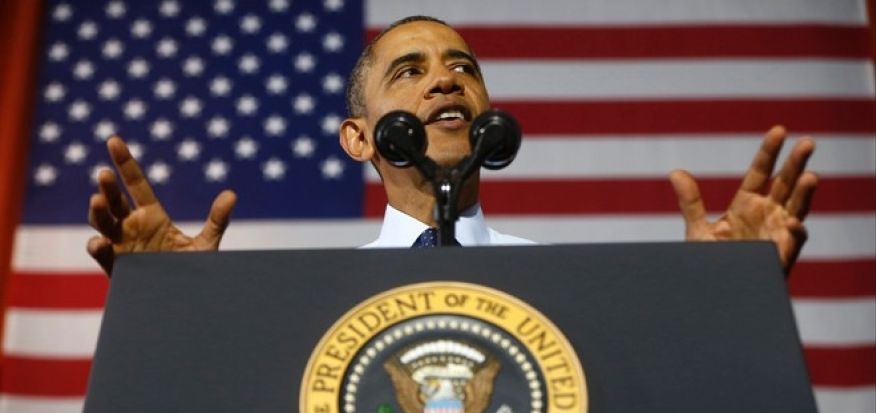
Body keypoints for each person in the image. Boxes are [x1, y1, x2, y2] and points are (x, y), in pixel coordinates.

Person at [86, 16, 817, 274]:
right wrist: (168, 306)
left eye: (463, 68)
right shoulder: (304, 297)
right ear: (358, 138)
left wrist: (730, 289)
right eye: (411, 72)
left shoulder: (567, 282)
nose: (445, 82)